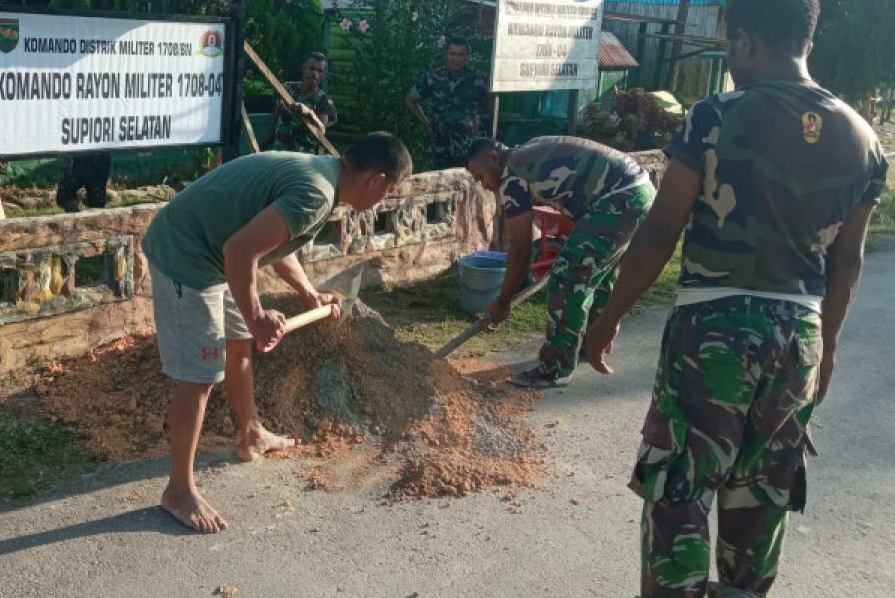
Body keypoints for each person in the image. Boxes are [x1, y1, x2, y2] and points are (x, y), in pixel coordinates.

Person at [583, 0, 888, 597]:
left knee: (680, 490)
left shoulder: (715, 117)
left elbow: (660, 229)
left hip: (711, 329)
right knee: (763, 490)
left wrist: (609, 315)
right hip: (799, 334)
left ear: (746, 41)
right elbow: (848, 263)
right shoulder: (865, 140)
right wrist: (825, 347)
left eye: (729, 45)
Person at [141, 131, 413, 533]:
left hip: (213, 254)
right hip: (186, 258)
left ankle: (251, 434)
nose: (382, 200)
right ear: (377, 180)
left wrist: (309, 295)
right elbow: (241, 251)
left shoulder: (323, 176)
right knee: (198, 377)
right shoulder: (316, 192)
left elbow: (273, 244)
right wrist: (256, 316)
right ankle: (178, 490)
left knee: (239, 346)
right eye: (388, 192)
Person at [464, 135, 656, 389]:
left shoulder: (512, 175)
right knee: (594, 271)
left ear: (493, 157)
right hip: (641, 190)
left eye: (481, 177)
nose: (484, 185)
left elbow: (521, 247)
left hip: (620, 197)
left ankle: (554, 367)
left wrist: (503, 302)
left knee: (568, 277)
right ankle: (590, 341)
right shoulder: (527, 151)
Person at [405, 36, 491, 170]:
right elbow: (410, 100)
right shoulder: (433, 77)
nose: (456, 58)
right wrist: (426, 124)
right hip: (439, 149)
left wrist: (479, 117)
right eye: (452, 54)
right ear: (447, 54)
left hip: (468, 149)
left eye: (461, 54)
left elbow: (489, 105)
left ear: (467, 56)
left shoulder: (479, 79)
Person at [263, 52, 337, 153]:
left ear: (324, 75)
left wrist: (309, 113)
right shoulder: (287, 89)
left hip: (302, 159)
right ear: (304, 68)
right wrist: (262, 147)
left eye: (320, 71)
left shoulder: (324, 101)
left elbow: (321, 132)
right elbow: (275, 122)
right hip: (279, 154)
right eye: (311, 68)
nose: (315, 74)